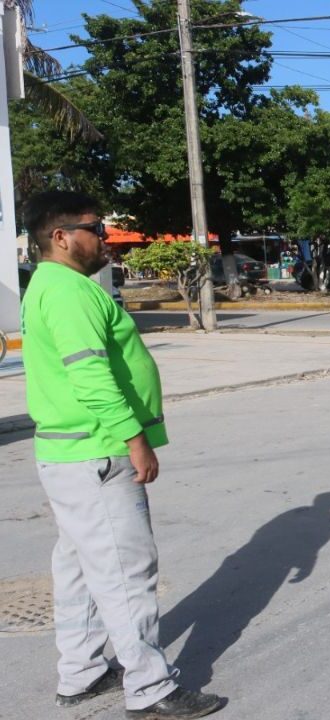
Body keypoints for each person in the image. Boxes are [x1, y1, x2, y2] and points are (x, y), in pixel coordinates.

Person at [21, 191, 223, 718]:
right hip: (97, 451)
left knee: (81, 569)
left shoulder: (53, 284)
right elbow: (91, 374)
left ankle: (82, 672)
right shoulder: (68, 292)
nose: (105, 238)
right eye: (96, 229)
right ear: (61, 237)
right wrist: (134, 438)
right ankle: (151, 689)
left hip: (70, 453)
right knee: (125, 571)